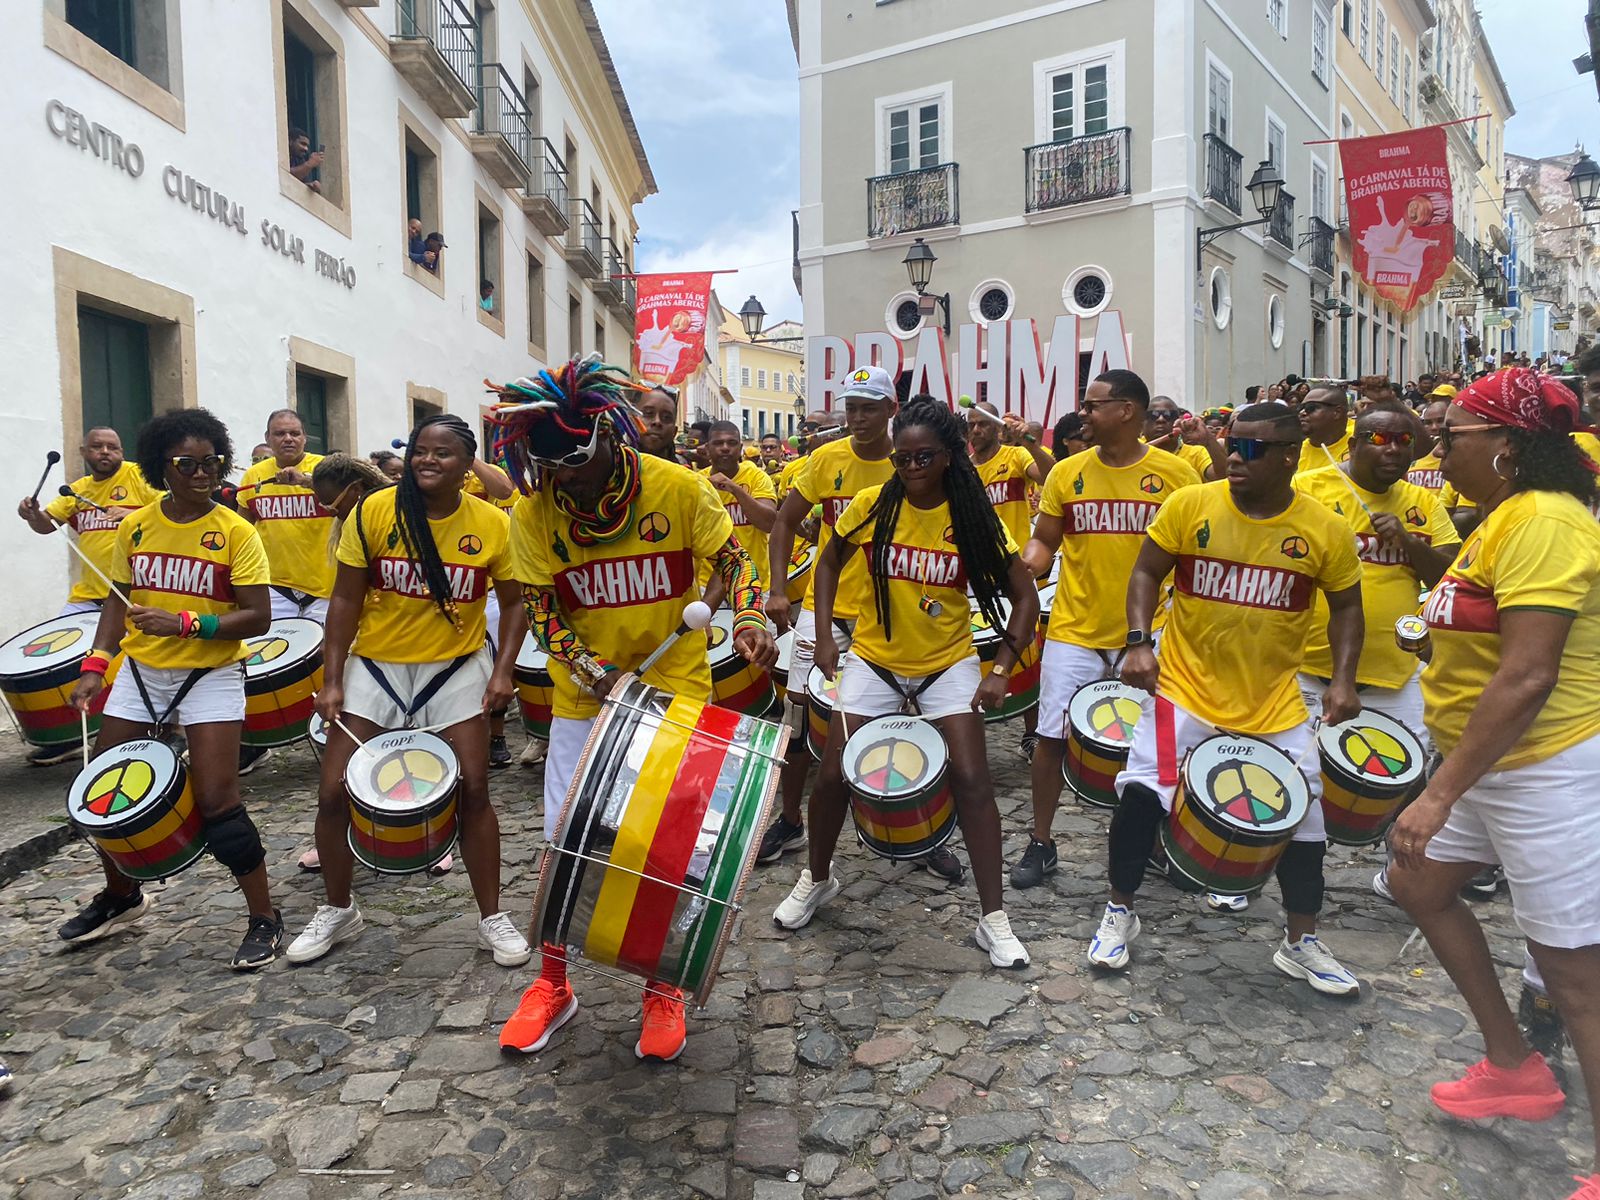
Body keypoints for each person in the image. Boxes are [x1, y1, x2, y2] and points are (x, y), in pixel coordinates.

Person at [490, 357, 775, 1061]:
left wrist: (747, 619)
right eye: (550, 467)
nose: (567, 480)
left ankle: (662, 987)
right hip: (585, 699)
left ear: (611, 437)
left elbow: (734, 561)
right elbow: (542, 612)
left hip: (677, 692)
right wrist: (596, 671)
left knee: (665, 848)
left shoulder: (676, 489)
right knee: (568, 839)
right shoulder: (534, 513)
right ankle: (554, 983)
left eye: (578, 463)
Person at [1386, 369, 1600, 1200]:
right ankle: (1515, 1068)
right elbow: (1485, 629)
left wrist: (1437, 793)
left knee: (1575, 972)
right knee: (1417, 883)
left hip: (1547, 767)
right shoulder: (1504, 517)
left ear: (1507, 445)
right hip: (1491, 762)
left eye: (1454, 434)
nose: (1438, 445)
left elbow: (1529, 675)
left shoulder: (1544, 520)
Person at [1086, 401, 1367, 996]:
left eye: (1251, 449)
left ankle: (1302, 941)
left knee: (1304, 817)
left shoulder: (1324, 528)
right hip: (1182, 690)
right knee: (1142, 792)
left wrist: (1343, 678)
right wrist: (1139, 642)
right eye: (1230, 443)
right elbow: (1145, 573)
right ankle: (1119, 911)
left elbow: (1346, 607)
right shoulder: (1192, 504)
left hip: (1275, 704)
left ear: (1289, 456)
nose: (1234, 457)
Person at [773, 397, 1038, 965]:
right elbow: (827, 561)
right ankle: (818, 877)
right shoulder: (872, 504)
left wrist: (1000, 671)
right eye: (902, 458)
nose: (911, 467)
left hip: (948, 662)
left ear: (950, 455)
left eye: (924, 456)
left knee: (971, 778)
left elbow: (1025, 598)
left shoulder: (972, 514)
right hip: (873, 656)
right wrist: (822, 633)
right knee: (833, 775)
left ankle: (993, 918)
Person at [286, 415, 530, 969]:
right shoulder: (374, 511)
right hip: (376, 665)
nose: (426, 460)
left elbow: (514, 603)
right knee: (332, 791)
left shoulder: (493, 523)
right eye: (420, 450)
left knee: (473, 792)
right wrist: (331, 679)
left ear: (467, 465)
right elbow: (345, 601)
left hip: (456, 667)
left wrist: (502, 671)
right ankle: (338, 908)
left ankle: (491, 915)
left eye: (441, 453)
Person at [60, 408, 282, 969]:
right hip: (140, 674)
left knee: (218, 803)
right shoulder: (136, 525)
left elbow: (258, 618)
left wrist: (187, 624)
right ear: (164, 466)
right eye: (188, 463)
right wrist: (96, 663)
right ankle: (121, 895)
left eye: (212, 462)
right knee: (105, 796)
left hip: (209, 675)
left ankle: (264, 915)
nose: (202, 473)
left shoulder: (237, 531)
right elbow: (117, 599)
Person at [765, 369, 963, 875]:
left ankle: (921, 829)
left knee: (914, 718)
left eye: (868, 407)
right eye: (851, 407)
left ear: (891, 410)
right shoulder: (824, 460)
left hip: (896, 613)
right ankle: (790, 820)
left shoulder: (913, 463)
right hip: (827, 610)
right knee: (801, 712)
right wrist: (777, 588)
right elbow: (786, 520)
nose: (856, 418)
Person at [1011, 370, 1201, 888]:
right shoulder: (1066, 472)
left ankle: (1156, 842)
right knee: (1051, 737)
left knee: (1159, 745)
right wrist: (1027, 560)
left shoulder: (1177, 475)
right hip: (1075, 626)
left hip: (1154, 631)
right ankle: (1041, 841)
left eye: (1093, 405)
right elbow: (1046, 539)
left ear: (1127, 411)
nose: (1083, 414)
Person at [1288, 402, 1460, 910]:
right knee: (1298, 781)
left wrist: (1406, 542)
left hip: (1396, 669)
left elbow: (1445, 575)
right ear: (1355, 442)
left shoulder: (1422, 503)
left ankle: (1402, 877)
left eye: (1404, 442)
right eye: (1380, 441)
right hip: (1310, 666)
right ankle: (1285, 882)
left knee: (1408, 782)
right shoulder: (1314, 487)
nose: (1393, 452)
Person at [292, 454, 393, 875]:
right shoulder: (351, 524)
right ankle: (349, 835)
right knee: (350, 756)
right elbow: (346, 597)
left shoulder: (393, 512)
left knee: (412, 749)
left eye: (333, 505)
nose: (329, 513)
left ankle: (429, 833)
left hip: (415, 651)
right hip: (367, 648)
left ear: (355, 489)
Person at [237, 409, 333, 623]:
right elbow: (241, 530)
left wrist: (307, 481)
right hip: (274, 588)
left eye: (294, 433)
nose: (288, 439)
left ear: (305, 437)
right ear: (267, 438)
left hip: (326, 589)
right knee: (272, 653)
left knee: (323, 654)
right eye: (280, 434)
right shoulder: (253, 476)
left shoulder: (326, 469)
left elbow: (349, 505)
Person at [701, 421, 777, 594]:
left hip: (753, 581)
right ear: (707, 448)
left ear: (741, 448)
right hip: (706, 583)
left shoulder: (757, 477)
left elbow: (769, 522)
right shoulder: (697, 482)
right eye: (718, 443)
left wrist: (735, 489)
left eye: (732, 443)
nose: (725, 448)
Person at [1145, 395, 1224, 480]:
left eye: (1168, 415)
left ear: (1178, 420)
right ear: (1142, 422)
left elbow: (1221, 476)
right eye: (1153, 415)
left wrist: (1208, 440)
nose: (1161, 419)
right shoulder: (1131, 451)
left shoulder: (1196, 453)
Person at [1295, 383, 1355, 473]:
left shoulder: (1359, 447)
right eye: (1301, 407)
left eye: (1311, 407)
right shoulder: (1294, 454)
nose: (1302, 412)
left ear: (1337, 412)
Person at [637, 385, 680, 462]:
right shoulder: (613, 468)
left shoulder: (685, 473)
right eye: (648, 413)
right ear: (630, 419)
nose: (657, 422)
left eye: (666, 417)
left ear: (674, 432)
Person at [288, 128, 323, 194]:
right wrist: (310, 164)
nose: (306, 149)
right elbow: (288, 174)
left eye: (307, 146)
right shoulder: (283, 154)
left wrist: (314, 186)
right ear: (291, 141)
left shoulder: (300, 159)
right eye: (302, 144)